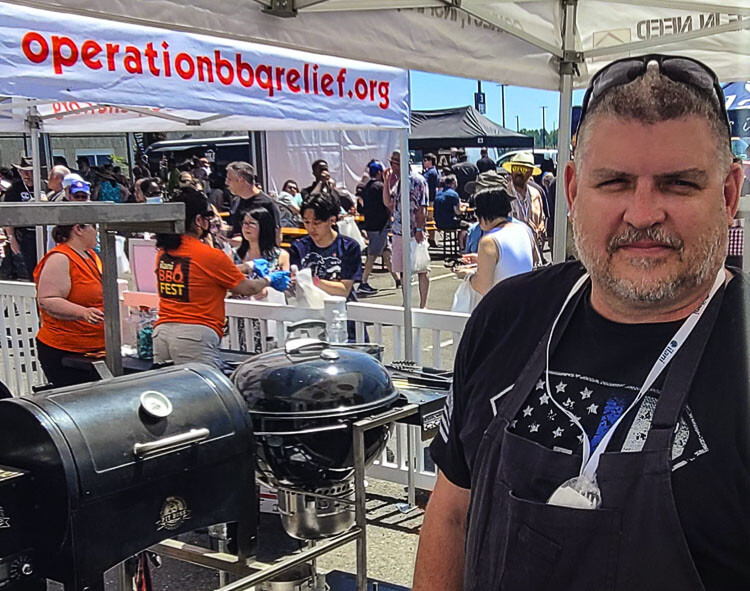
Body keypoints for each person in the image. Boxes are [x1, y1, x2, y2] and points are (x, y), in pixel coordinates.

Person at [414, 55, 749, 591]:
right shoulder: (506, 316)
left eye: (679, 185)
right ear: (572, 190)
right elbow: (452, 510)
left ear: (729, 194)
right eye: (613, 182)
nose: (642, 214)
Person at [152, 188, 289, 369]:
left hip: (162, 333)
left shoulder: (164, 254)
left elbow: (206, 274)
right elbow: (246, 288)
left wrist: (249, 266)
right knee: (204, 393)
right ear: (198, 221)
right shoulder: (208, 255)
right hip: (195, 335)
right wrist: (269, 279)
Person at [33, 223, 104, 387]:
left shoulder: (91, 255)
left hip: (96, 347)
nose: (97, 232)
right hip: (67, 351)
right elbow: (47, 299)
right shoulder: (60, 258)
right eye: (94, 227)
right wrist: (83, 313)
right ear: (78, 229)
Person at [453, 186, 533, 299]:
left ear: (483, 213)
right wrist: (481, 259)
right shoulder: (524, 230)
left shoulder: (489, 241)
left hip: (501, 306)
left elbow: (483, 287)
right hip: (524, 301)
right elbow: (513, 263)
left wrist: (467, 275)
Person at [234, 207, 291, 351]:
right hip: (243, 317)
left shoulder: (281, 255)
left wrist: (268, 289)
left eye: (251, 223)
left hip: (271, 316)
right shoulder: (235, 255)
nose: (246, 227)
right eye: (244, 223)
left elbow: (286, 286)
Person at [290, 191, 362, 302]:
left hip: (340, 310)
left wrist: (312, 281)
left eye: (317, 223)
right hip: (308, 310)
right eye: (306, 222)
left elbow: (344, 290)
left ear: (332, 220)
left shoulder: (349, 247)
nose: (311, 228)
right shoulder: (298, 247)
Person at [384, 150, 430, 308]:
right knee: (403, 268)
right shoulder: (398, 182)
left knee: (422, 267)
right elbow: (388, 203)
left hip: (413, 231)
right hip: (398, 230)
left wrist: (419, 228)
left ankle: (423, 304)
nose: (392, 167)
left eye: (394, 163)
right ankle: (407, 302)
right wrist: (386, 180)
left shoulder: (418, 180)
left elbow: (422, 207)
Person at [357, 160, 397, 296]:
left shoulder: (366, 187)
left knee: (387, 252)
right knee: (372, 254)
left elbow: (360, 207)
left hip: (371, 224)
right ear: (380, 172)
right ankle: (363, 282)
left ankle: (398, 279)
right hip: (380, 225)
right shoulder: (380, 187)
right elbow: (389, 201)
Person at [1, 156, 38, 281]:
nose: (27, 175)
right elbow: (8, 216)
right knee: (28, 270)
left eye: (30, 171)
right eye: (23, 171)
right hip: (24, 235)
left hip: (43, 235)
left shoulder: (43, 186)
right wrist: (11, 238)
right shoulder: (14, 189)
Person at [502, 151, 547, 253]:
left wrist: (541, 226)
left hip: (533, 251)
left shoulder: (536, 194)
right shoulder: (503, 194)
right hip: (511, 251)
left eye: (523, 169)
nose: (518, 172)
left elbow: (542, 219)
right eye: (515, 168)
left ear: (530, 172)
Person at [226, 161, 281, 241]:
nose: (226, 183)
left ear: (241, 180)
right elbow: (236, 229)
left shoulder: (267, 204)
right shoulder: (236, 202)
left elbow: (277, 236)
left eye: (229, 179)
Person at [433, 175, 469, 250]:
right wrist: (465, 208)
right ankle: (462, 247)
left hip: (438, 223)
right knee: (467, 225)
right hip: (449, 223)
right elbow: (458, 212)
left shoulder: (438, 193)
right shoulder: (453, 194)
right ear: (453, 183)